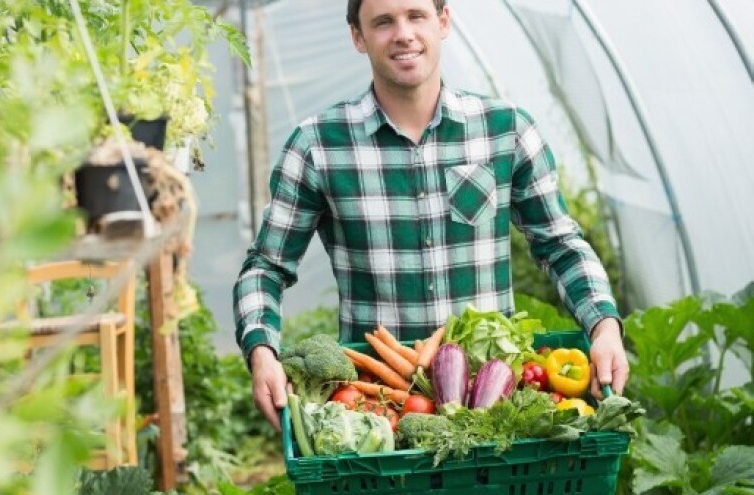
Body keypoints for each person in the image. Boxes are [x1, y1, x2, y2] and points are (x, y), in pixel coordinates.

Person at [233, 0, 629, 431]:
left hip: (496, 402)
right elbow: (266, 268)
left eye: (415, 15)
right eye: (383, 22)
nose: (403, 33)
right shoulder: (317, 147)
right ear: (358, 37)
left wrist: (604, 327)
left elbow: (560, 245)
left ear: (443, 21)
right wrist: (261, 351)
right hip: (379, 409)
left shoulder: (505, 130)